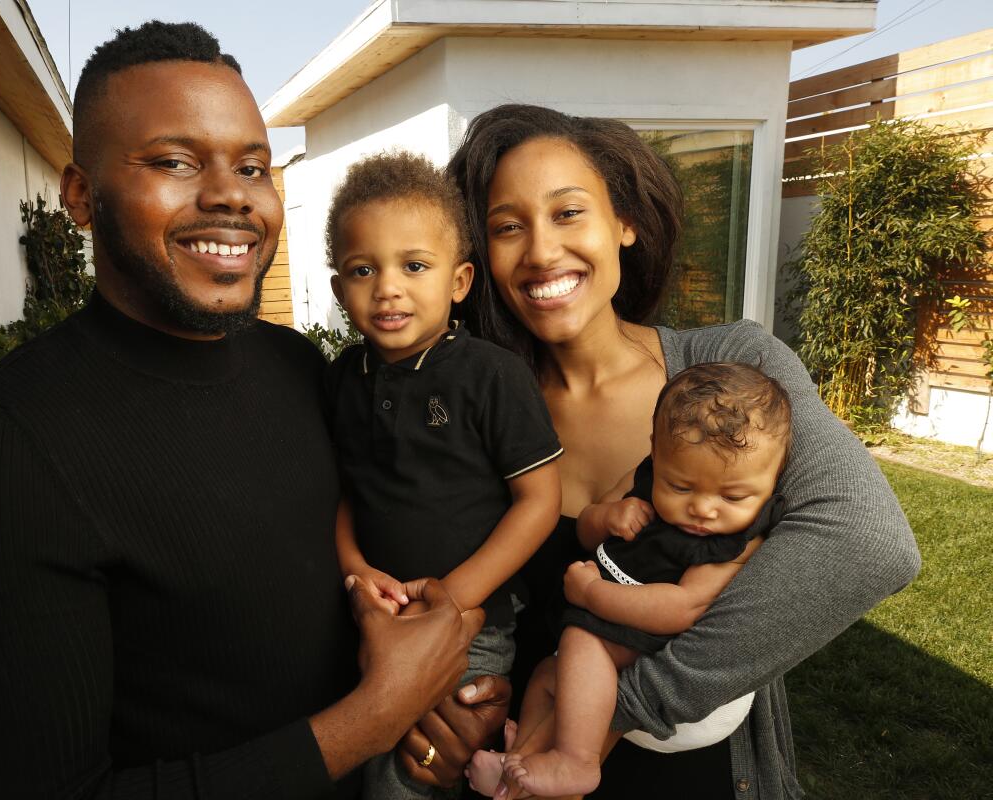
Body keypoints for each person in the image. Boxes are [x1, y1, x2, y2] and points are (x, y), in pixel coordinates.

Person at [0, 22, 507, 799]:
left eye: (252, 165)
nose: (229, 194)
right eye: (175, 162)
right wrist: (375, 718)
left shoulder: (297, 367)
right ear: (81, 194)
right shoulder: (1, 450)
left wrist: (430, 721)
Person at [445, 104, 920, 798]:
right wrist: (461, 690)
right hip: (519, 759)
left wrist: (610, 716)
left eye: (568, 212)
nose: (542, 251)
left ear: (625, 223)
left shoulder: (736, 372)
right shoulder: (482, 411)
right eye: (507, 226)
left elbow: (870, 542)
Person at [322, 152, 563, 799]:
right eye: (363, 270)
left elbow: (540, 500)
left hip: (472, 627)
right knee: (359, 761)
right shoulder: (344, 380)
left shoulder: (491, 375)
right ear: (340, 286)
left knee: (414, 780)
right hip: (372, 616)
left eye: (414, 266)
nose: (388, 287)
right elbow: (349, 492)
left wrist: (454, 602)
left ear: (459, 281)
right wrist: (355, 572)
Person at [469, 363, 792, 797]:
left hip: (650, 645)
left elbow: (683, 608)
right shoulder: (647, 479)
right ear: (656, 456)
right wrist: (609, 516)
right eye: (680, 487)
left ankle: (577, 765)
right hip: (608, 626)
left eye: (733, 496)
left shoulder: (734, 542)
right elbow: (584, 528)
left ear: (772, 482)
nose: (704, 508)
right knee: (550, 675)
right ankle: (522, 763)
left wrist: (591, 593)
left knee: (581, 653)